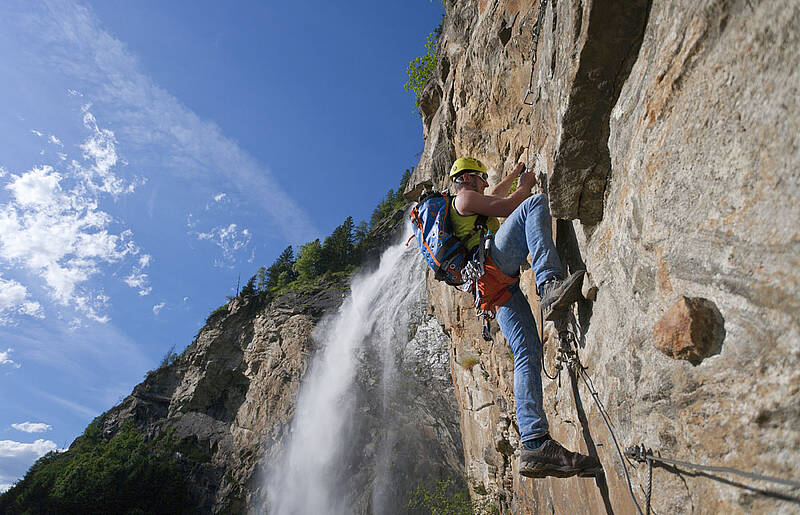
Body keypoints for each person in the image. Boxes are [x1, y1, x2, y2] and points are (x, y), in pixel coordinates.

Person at [449, 157, 602, 478]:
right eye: (481, 178)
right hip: (491, 267)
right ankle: (549, 283)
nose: (486, 183)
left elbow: (495, 196)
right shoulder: (462, 197)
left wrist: (515, 175)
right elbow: (507, 205)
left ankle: (534, 442)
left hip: (492, 290)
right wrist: (526, 185)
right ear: (467, 178)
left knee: (526, 353)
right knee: (534, 205)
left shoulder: (468, 201)